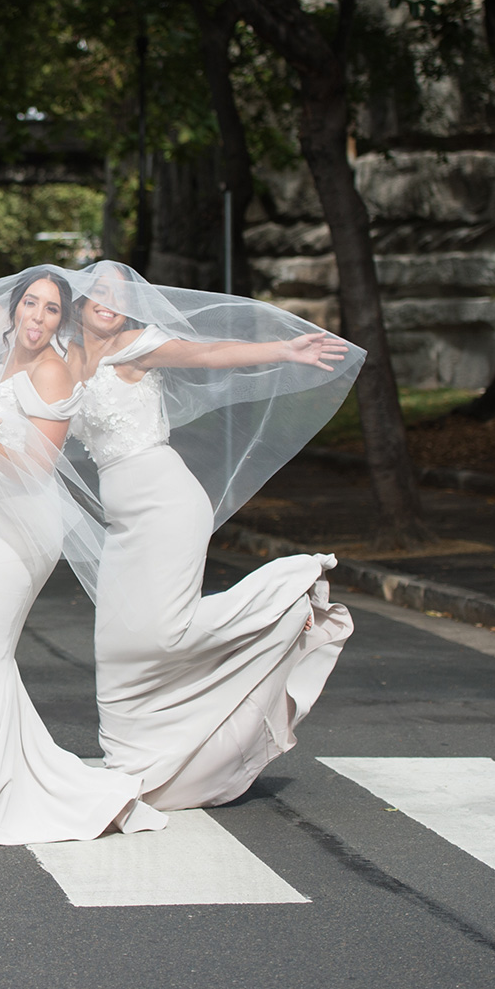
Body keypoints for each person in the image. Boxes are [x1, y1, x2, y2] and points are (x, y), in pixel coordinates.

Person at [60, 262, 355, 810]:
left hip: (169, 502)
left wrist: (285, 351)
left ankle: (289, 596)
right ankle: (133, 762)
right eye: (100, 291)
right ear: (79, 299)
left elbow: (209, 352)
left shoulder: (135, 344)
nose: (109, 301)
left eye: (120, 295)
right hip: (124, 520)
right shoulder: (66, 359)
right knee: (118, 638)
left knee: (166, 632)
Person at [0, 229, 164, 844]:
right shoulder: (11, 351)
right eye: (31, 303)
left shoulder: (53, 371)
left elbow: (38, 469)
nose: (38, 316)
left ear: (63, 319)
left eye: (52, 308)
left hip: (20, 529)